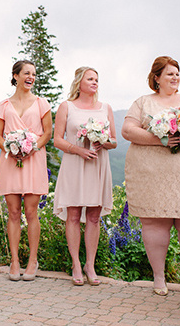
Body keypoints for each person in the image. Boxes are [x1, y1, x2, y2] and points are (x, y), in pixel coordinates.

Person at [121, 55, 180, 296]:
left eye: (177, 73)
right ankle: (159, 278)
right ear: (157, 78)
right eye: (170, 73)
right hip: (152, 177)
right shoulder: (143, 102)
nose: (175, 77)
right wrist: (160, 139)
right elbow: (128, 130)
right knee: (155, 222)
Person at [53, 67, 116, 286]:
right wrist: (78, 149)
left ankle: (90, 264)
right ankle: (76, 264)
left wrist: (102, 142)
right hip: (74, 163)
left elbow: (114, 141)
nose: (94, 82)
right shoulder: (66, 107)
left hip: (97, 164)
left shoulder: (105, 108)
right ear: (79, 82)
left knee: (94, 216)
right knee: (73, 214)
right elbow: (57, 140)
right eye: (90, 78)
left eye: (97, 79)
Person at [0, 60, 52, 281]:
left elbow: (47, 133)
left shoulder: (41, 103)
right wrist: (10, 148)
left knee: (31, 212)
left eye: (34, 74)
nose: (31, 77)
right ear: (15, 76)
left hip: (34, 159)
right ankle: (15, 261)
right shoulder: (3, 106)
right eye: (26, 73)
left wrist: (32, 147)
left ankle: (32, 260)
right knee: (14, 212)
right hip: (10, 160)